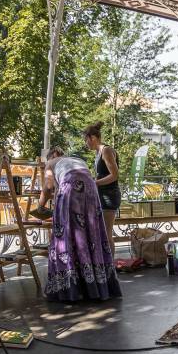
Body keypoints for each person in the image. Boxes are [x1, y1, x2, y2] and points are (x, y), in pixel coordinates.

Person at [38, 146, 122, 302]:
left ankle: (69, 288)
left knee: (65, 234)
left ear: (49, 158)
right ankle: (95, 284)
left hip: (71, 186)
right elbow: (64, 187)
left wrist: (40, 207)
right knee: (90, 233)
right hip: (91, 188)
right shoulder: (76, 160)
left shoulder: (50, 163)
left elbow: (48, 188)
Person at [83, 122, 121, 251]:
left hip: (109, 196)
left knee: (106, 234)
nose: (86, 144)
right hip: (101, 195)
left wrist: (94, 183)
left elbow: (114, 175)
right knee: (101, 233)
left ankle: (110, 263)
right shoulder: (98, 152)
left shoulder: (106, 150)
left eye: (86, 140)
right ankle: (104, 261)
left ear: (92, 138)